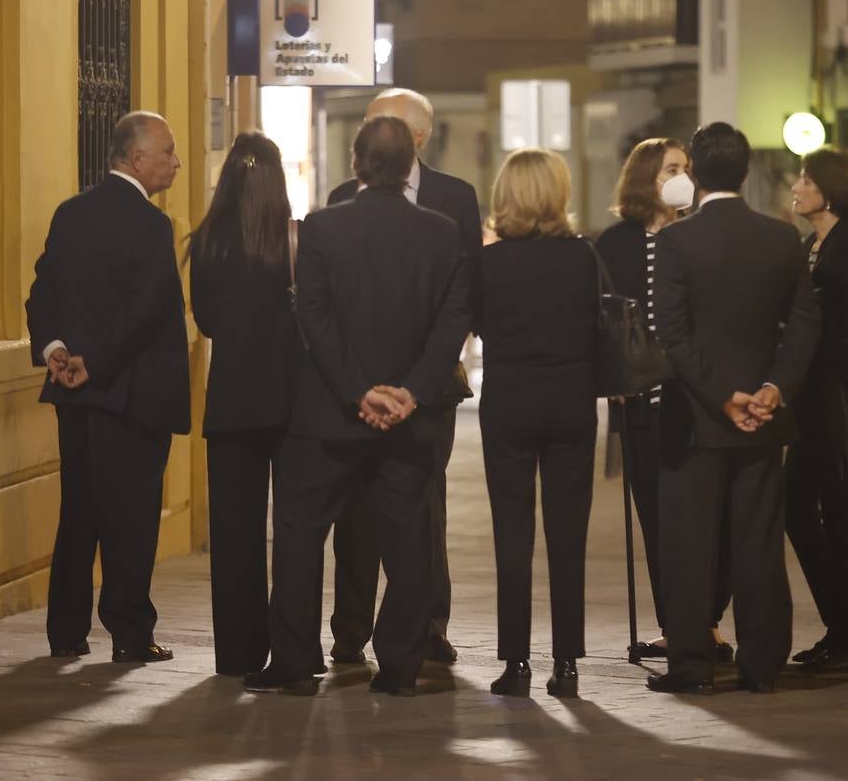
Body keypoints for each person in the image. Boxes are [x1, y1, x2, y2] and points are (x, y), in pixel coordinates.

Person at [246, 116, 471, 697]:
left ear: (356, 163)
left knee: (298, 535)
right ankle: (399, 664)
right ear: (409, 166)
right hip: (408, 419)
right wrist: (410, 392)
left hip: (326, 415)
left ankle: (293, 660)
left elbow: (313, 318)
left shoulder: (322, 228)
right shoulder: (443, 233)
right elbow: (452, 327)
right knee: (409, 542)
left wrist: (356, 391)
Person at [647, 122, 820, 695]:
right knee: (759, 542)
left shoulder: (676, 241)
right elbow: (803, 325)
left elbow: (673, 335)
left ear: (694, 172)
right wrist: (772, 388)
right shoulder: (780, 237)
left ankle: (692, 665)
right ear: (745, 172)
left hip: (697, 418)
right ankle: (763, 662)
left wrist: (723, 396)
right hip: (766, 419)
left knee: (691, 544)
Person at [26, 110, 191, 664]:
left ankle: (65, 630)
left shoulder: (69, 214)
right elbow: (147, 313)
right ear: (137, 158)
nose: (175, 161)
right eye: (168, 151)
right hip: (131, 393)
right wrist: (93, 363)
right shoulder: (151, 225)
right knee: (132, 515)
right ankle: (129, 631)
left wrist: (55, 353)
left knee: (79, 511)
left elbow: (41, 293)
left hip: (73, 395)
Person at [325, 88, 482, 666]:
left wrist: (417, 384)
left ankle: (426, 626)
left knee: (423, 512)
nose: (368, 136)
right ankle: (351, 628)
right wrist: (362, 386)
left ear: (417, 137)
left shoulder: (455, 199)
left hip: (429, 392)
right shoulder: (342, 199)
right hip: (357, 395)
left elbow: (462, 300)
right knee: (356, 513)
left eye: (379, 125)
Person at [595, 139, 734, 663]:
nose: (683, 178)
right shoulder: (616, 242)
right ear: (644, 179)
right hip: (640, 401)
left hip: (695, 396)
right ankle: (678, 624)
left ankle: (704, 618)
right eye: (671, 169)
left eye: (687, 169)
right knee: (655, 515)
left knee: (707, 515)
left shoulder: (697, 236)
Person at [478, 148, 596, 699]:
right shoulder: (584, 257)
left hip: (509, 405)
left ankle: (516, 663)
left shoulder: (491, 262)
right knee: (568, 537)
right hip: (571, 403)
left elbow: (476, 325)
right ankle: (568, 663)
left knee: (513, 534)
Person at [189, 132, 300, 677]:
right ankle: (293, 647)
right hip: (292, 399)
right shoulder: (294, 240)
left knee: (235, 536)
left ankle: (237, 652)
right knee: (296, 533)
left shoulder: (206, 240)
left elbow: (205, 321)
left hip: (232, 400)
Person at [784, 146, 848, 671]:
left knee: (836, 513)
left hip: (841, 405)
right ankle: (845, 627)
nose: (796, 187)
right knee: (806, 508)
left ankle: (846, 634)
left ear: (831, 188)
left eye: (805, 178)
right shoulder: (812, 245)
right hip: (816, 404)